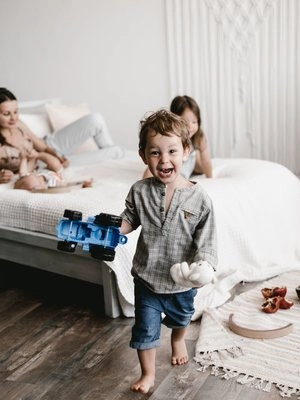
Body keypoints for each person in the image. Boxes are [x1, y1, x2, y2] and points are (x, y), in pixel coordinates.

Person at [120, 109, 218, 394]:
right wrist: (116, 230)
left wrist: (205, 266)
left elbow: (208, 239)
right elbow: (129, 218)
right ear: (143, 156)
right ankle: (148, 373)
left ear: (186, 151)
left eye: (172, 151)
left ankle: (178, 339)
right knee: (145, 329)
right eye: (155, 153)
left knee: (182, 318)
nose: (164, 160)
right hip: (148, 279)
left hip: (181, 282)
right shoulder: (139, 191)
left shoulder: (200, 197)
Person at [0, 87, 123, 184]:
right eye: (6, 113)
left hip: (50, 145)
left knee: (95, 119)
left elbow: (41, 146)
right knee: (116, 152)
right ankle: (112, 165)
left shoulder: (18, 123)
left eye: (16, 112)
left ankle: (111, 165)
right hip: (43, 164)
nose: (13, 118)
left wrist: (57, 154)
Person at [143, 95, 212, 179]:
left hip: (189, 164)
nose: (190, 127)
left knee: (199, 163)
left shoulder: (198, 137)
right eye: (185, 122)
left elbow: (206, 161)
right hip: (175, 166)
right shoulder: (170, 136)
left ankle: (194, 160)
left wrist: (210, 178)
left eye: (194, 122)